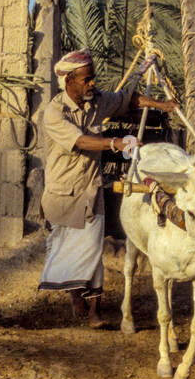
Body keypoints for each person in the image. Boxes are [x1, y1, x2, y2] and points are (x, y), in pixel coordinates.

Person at [38, 50, 178, 326]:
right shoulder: (54, 113)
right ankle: (75, 295)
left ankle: (94, 312)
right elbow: (81, 141)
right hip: (62, 194)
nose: (92, 84)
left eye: (93, 79)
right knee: (65, 247)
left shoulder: (97, 101)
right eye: (86, 80)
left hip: (91, 190)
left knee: (91, 248)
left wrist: (162, 105)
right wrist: (116, 143)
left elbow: (129, 99)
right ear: (69, 80)